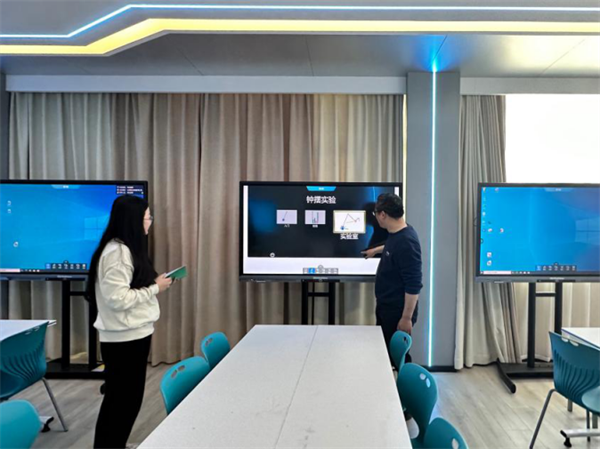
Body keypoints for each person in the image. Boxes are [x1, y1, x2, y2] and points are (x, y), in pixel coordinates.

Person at [86, 195, 172, 449]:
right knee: (121, 402)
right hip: (123, 339)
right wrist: (155, 288)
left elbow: (128, 288)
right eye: (147, 218)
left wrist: (153, 283)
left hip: (134, 334)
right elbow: (117, 299)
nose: (150, 223)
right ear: (134, 221)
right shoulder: (117, 253)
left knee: (126, 401)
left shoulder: (126, 249)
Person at [362, 193, 423, 361]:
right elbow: (393, 246)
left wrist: (406, 318)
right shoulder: (398, 232)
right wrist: (375, 250)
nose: (375, 218)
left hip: (397, 312)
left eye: (375, 213)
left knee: (396, 356)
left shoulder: (407, 242)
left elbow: (414, 285)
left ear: (383, 214)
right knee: (384, 353)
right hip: (386, 306)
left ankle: (401, 378)